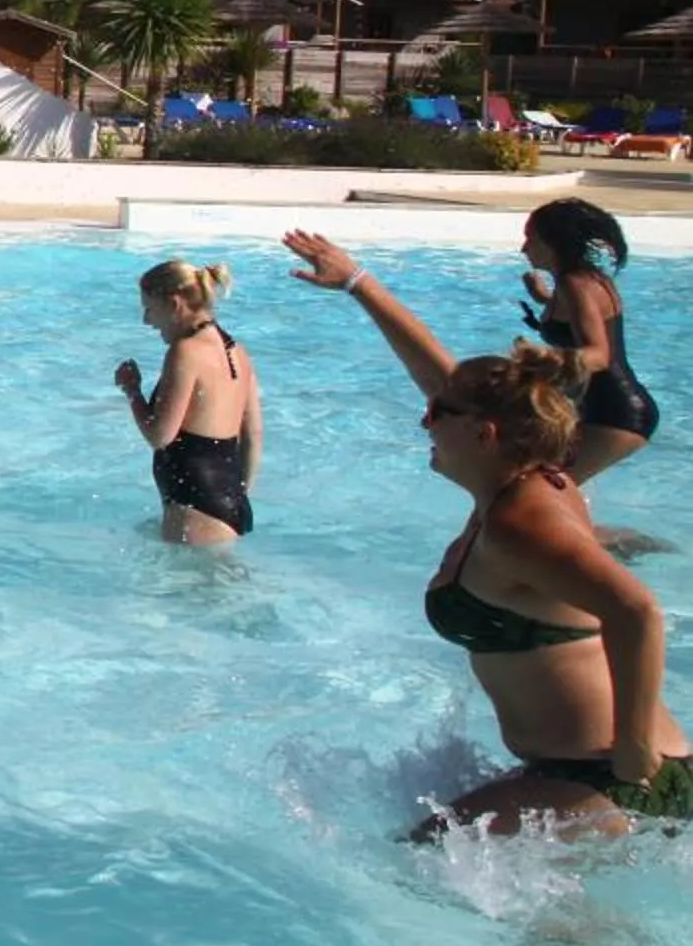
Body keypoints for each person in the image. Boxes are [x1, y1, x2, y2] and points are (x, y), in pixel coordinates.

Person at [282, 228, 689, 835]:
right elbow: (440, 375)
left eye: (436, 415)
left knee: (412, 860)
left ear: (485, 435)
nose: (424, 419)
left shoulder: (523, 521)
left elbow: (637, 611)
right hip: (580, 771)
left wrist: (632, 743)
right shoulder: (518, 485)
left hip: (616, 779)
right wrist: (357, 284)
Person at [114, 258, 264, 543]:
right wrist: (236, 497)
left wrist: (133, 392)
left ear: (174, 304)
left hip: (194, 510)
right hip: (230, 504)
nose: (146, 321)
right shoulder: (238, 353)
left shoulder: (186, 351)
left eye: (149, 309)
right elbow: (253, 436)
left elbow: (160, 435)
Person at [518, 198, 659, 482]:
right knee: (545, 484)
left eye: (530, 239)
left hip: (615, 413)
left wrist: (537, 361)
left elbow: (598, 354)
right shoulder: (589, 279)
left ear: (552, 242)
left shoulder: (574, 285)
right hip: (615, 408)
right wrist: (543, 297)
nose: (524, 248)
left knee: (537, 488)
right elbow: (579, 318)